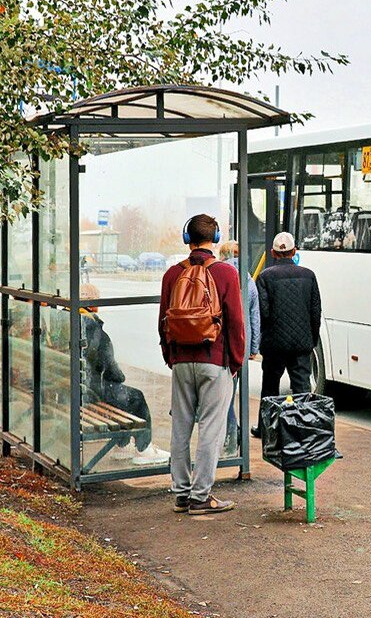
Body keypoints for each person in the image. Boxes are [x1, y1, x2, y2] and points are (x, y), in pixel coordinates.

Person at [158, 214, 246, 516]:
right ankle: (201, 497)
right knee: (211, 428)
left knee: (180, 427)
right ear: (216, 238)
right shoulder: (226, 273)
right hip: (215, 360)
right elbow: (235, 322)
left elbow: (163, 322)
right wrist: (234, 362)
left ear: (187, 239)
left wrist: (171, 357)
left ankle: (181, 494)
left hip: (181, 361)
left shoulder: (172, 274)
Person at [79, 284, 169, 465]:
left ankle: (123, 445)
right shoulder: (93, 329)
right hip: (90, 393)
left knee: (122, 393)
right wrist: (120, 377)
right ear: (93, 303)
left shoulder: (69, 320)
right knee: (136, 397)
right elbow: (110, 370)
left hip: (77, 388)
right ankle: (144, 449)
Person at [251, 232, 321, 439]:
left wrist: (263, 339)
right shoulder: (308, 276)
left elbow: (262, 313)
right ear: (294, 251)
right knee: (301, 386)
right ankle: (303, 430)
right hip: (301, 343)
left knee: (270, 387)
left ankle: (266, 429)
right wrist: (311, 340)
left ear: (273, 253)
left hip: (274, 344)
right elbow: (315, 312)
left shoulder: (265, 277)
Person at [217, 240, 260, 451]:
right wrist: (253, 348)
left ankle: (232, 434)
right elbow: (254, 317)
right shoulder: (249, 280)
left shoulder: (219, 275)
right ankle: (233, 433)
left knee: (223, 396)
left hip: (221, 345)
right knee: (231, 392)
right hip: (241, 345)